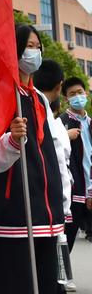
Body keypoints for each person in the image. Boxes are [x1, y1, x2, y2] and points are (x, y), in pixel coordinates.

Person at [0, 24, 71, 294]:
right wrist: (11, 140)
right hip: (16, 216)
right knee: (17, 285)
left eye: (38, 47)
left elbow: (57, 152)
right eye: (28, 47)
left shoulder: (38, 99)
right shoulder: (1, 92)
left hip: (47, 215)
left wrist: (62, 203)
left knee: (46, 285)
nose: (34, 53)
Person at [33, 59, 74, 293]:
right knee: (47, 277)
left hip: (45, 207)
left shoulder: (41, 108)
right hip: (48, 207)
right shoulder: (42, 111)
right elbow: (60, 165)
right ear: (59, 86)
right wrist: (64, 208)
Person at [60, 77, 92, 252]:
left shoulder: (91, 123)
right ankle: (60, 279)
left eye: (80, 92)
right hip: (74, 193)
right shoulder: (61, 123)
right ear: (66, 98)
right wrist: (65, 135)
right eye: (72, 94)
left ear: (86, 93)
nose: (77, 96)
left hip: (90, 189)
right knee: (66, 241)